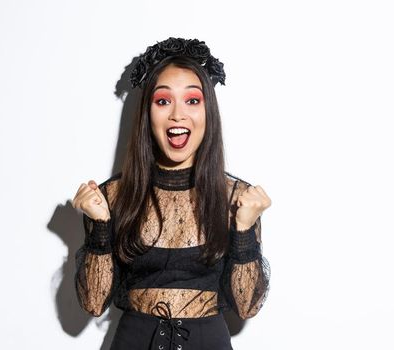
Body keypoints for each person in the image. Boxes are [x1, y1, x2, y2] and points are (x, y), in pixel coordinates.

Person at [71, 37, 271, 350]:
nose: (178, 115)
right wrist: (99, 226)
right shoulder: (113, 195)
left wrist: (244, 229)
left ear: (208, 111)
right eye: (163, 101)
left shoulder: (237, 197)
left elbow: (247, 307)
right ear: (147, 113)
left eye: (192, 100)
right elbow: (94, 304)